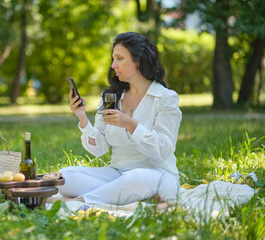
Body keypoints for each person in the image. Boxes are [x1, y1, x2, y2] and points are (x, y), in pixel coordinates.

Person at [57, 32, 182, 205]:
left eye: (119, 58)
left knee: (136, 179)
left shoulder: (166, 98)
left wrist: (131, 125)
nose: (113, 65)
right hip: (117, 174)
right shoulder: (111, 97)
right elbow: (99, 149)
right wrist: (82, 118)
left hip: (157, 175)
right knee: (65, 177)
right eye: (113, 59)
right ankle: (114, 195)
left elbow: (164, 149)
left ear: (139, 60)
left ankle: (77, 202)